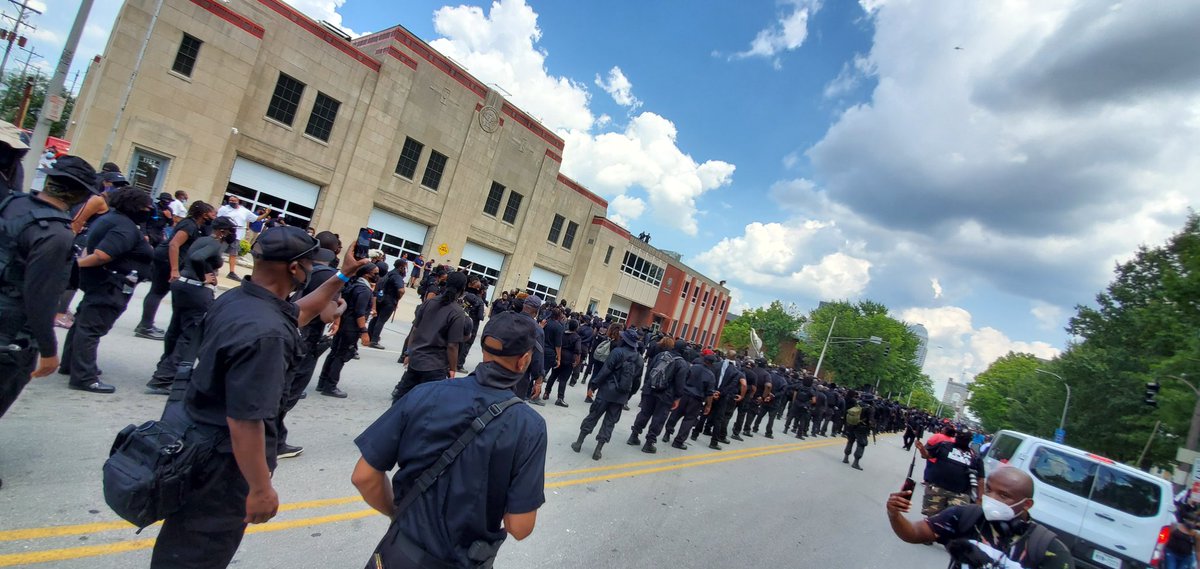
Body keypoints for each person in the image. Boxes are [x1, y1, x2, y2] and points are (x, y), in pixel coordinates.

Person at [150, 228, 368, 568]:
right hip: (223, 467)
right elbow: (246, 420)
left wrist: (343, 275)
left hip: (195, 444)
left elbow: (301, 312)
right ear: (295, 269)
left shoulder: (240, 300)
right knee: (199, 553)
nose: (312, 270)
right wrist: (260, 488)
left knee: (183, 540)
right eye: (310, 264)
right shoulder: (268, 336)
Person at [352, 311, 546, 568]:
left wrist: (396, 513)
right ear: (523, 361)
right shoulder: (529, 426)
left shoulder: (425, 393)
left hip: (398, 552)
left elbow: (364, 476)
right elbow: (520, 526)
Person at [0, 156, 96, 431]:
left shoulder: (13, 202)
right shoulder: (56, 234)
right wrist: (49, 351)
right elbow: (39, 298)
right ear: (79, 196)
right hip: (10, 333)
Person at [59, 187, 155, 394]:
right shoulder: (124, 227)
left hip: (101, 282)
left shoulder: (110, 218)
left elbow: (90, 248)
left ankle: (71, 364)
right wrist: (75, 266)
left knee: (83, 323)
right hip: (111, 284)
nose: (150, 210)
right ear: (135, 206)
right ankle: (84, 377)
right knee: (91, 328)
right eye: (147, 207)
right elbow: (102, 255)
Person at [886, 467, 1074, 569]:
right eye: (989, 490)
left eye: (1003, 495)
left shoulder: (1049, 549)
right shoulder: (965, 516)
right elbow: (914, 533)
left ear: (1026, 505)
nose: (991, 499)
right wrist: (894, 514)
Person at [146, 216, 238, 395]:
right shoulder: (213, 243)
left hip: (182, 285)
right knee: (190, 335)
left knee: (175, 329)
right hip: (196, 289)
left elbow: (191, 256)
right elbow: (197, 258)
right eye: (229, 231)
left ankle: (164, 367)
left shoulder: (201, 239)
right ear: (222, 231)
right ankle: (165, 377)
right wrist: (204, 276)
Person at [136, 200, 216, 341]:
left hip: (168, 259)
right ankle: (145, 326)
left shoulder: (194, 225)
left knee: (158, 291)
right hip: (166, 260)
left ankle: (146, 325)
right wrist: (174, 269)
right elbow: (174, 244)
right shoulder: (189, 225)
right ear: (204, 214)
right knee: (157, 291)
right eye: (212, 213)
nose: (214, 216)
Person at [392, 271, 471, 402]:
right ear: (463, 289)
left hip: (416, 360)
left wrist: (409, 352)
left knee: (401, 401)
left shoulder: (429, 302)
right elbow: (453, 345)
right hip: (435, 366)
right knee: (425, 405)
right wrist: (452, 368)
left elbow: (414, 331)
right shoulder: (457, 313)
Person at [571, 328, 644, 461]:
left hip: (606, 391)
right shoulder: (639, 359)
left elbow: (605, 371)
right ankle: (598, 450)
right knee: (610, 422)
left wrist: (593, 385)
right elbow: (637, 382)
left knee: (593, 416)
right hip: (621, 396)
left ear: (624, 340)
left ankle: (579, 443)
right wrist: (628, 396)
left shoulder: (617, 352)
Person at [315, 262, 378, 398]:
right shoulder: (364, 290)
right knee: (342, 355)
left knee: (334, 352)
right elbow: (359, 313)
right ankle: (330, 386)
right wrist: (364, 331)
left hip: (344, 324)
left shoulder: (354, 285)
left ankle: (322, 382)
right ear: (367, 274)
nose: (377, 276)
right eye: (375, 273)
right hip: (351, 328)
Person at [626, 337, 687, 454]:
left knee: (644, 412)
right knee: (659, 418)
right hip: (666, 395)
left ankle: (634, 435)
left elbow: (649, 371)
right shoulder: (682, 363)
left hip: (650, 389)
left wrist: (646, 386)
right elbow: (680, 384)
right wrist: (678, 398)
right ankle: (649, 442)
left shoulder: (661, 355)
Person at [916, 430, 985, 517]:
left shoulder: (975, 457)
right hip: (937, 490)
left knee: (953, 521)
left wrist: (980, 499)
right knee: (932, 519)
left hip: (960, 495)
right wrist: (922, 449)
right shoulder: (944, 445)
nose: (962, 439)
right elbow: (927, 455)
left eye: (965, 438)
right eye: (960, 436)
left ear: (969, 440)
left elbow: (980, 479)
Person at [662, 352, 718, 451]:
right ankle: (678, 441)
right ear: (712, 363)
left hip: (684, 394)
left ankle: (667, 433)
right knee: (689, 420)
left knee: (675, 414)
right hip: (696, 399)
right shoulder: (711, 376)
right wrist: (708, 406)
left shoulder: (693, 367)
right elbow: (710, 393)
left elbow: (683, 378)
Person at [214, 196, 266, 280]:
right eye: (230, 200)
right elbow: (217, 220)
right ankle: (214, 268)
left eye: (234, 200)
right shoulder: (224, 209)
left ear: (238, 201)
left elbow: (257, 218)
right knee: (219, 252)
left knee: (233, 254)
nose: (232, 202)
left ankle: (231, 272)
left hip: (237, 236)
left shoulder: (244, 211)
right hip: (225, 235)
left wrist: (266, 214)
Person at [366, 258, 406, 349]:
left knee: (375, 319)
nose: (405, 270)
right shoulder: (397, 276)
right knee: (381, 320)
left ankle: (369, 336)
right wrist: (398, 298)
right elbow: (401, 290)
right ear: (401, 267)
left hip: (381, 297)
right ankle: (374, 341)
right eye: (405, 268)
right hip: (390, 300)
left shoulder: (388, 273)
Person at [544, 317, 582, 407]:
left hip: (559, 355)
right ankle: (560, 398)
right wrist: (577, 360)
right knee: (563, 379)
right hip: (569, 359)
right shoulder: (577, 337)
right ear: (577, 328)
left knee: (553, 376)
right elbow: (578, 350)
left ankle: (546, 392)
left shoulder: (562, 333)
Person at [457, 275, 487, 373]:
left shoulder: (463, 294)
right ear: (481, 291)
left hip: (460, 321)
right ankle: (459, 364)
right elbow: (480, 316)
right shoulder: (479, 301)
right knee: (466, 345)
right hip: (472, 325)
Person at [841, 392, 874, 470]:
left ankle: (846, 457)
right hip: (862, 428)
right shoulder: (870, 408)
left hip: (852, 425)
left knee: (850, 441)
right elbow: (871, 421)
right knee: (861, 444)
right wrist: (872, 426)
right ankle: (856, 462)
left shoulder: (857, 404)